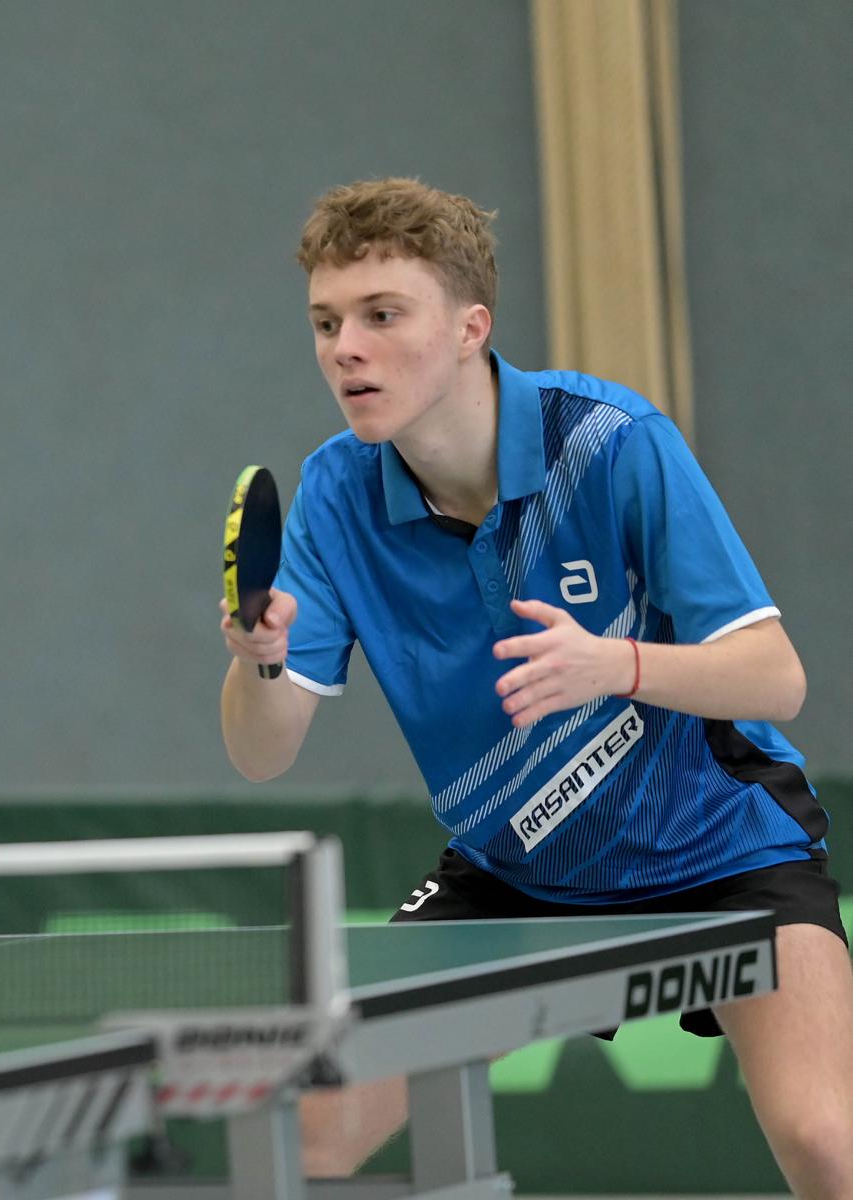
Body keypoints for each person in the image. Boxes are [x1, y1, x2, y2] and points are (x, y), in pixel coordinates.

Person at [219, 178, 853, 1195]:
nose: (346, 349)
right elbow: (261, 753)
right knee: (305, 1134)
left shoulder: (610, 442)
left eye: (382, 316)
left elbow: (776, 679)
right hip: (513, 876)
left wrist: (614, 665)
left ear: (470, 328)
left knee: (827, 1142)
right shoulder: (336, 494)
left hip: (724, 851)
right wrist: (258, 662)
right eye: (327, 323)